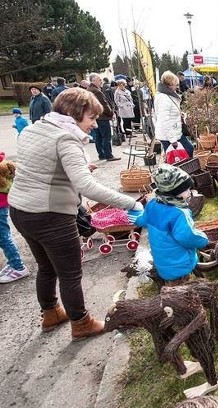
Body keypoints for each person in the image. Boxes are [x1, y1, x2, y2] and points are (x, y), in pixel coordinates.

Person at [8, 88, 144, 340]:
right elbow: (87, 186)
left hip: (21, 211)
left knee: (46, 268)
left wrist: (79, 167)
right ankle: (81, 323)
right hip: (51, 217)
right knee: (70, 273)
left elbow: (41, 166)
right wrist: (130, 203)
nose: (94, 124)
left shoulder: (32, 129)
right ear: (76, 113)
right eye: (91, 117)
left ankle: (51, 314)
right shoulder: (65, 139)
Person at [133, 164, 208, 285]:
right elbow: (187, 237)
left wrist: (134, 216)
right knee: (180, 290)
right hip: (179, 263)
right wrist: (203, 239)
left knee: (170, 282)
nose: (189, 191)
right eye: (186, 189)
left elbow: (142, 220)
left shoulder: (152, 204)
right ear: (175, 191)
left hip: (161, 259)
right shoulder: (179, 213)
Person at [0, 151, 29, 284]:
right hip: (3, 203)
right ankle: (13, 262)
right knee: (3, 236)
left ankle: (18, 267)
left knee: (3, 237)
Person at [155, 71, 194, 157]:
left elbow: (170, 112)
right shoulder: (163, 98)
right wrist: (173, 140)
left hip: (174, 131)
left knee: (188, 150)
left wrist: (179, 114)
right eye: (175, 84)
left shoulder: (167, 95)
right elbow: (164, 120)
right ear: (169, 84)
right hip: (169, 135)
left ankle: (183, 168)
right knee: (176, 156)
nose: (177, 87)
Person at [87, 73, 120, 161]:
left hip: (95, 116)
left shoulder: (89, 89)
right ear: (93, 80)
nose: (101, 82)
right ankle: (108, 155)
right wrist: (111, 113)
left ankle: (101, 154)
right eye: (99, 80)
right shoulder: (96, 91)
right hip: (102, 116)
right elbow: (103, 104)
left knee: (98, 136)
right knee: (106, 136)